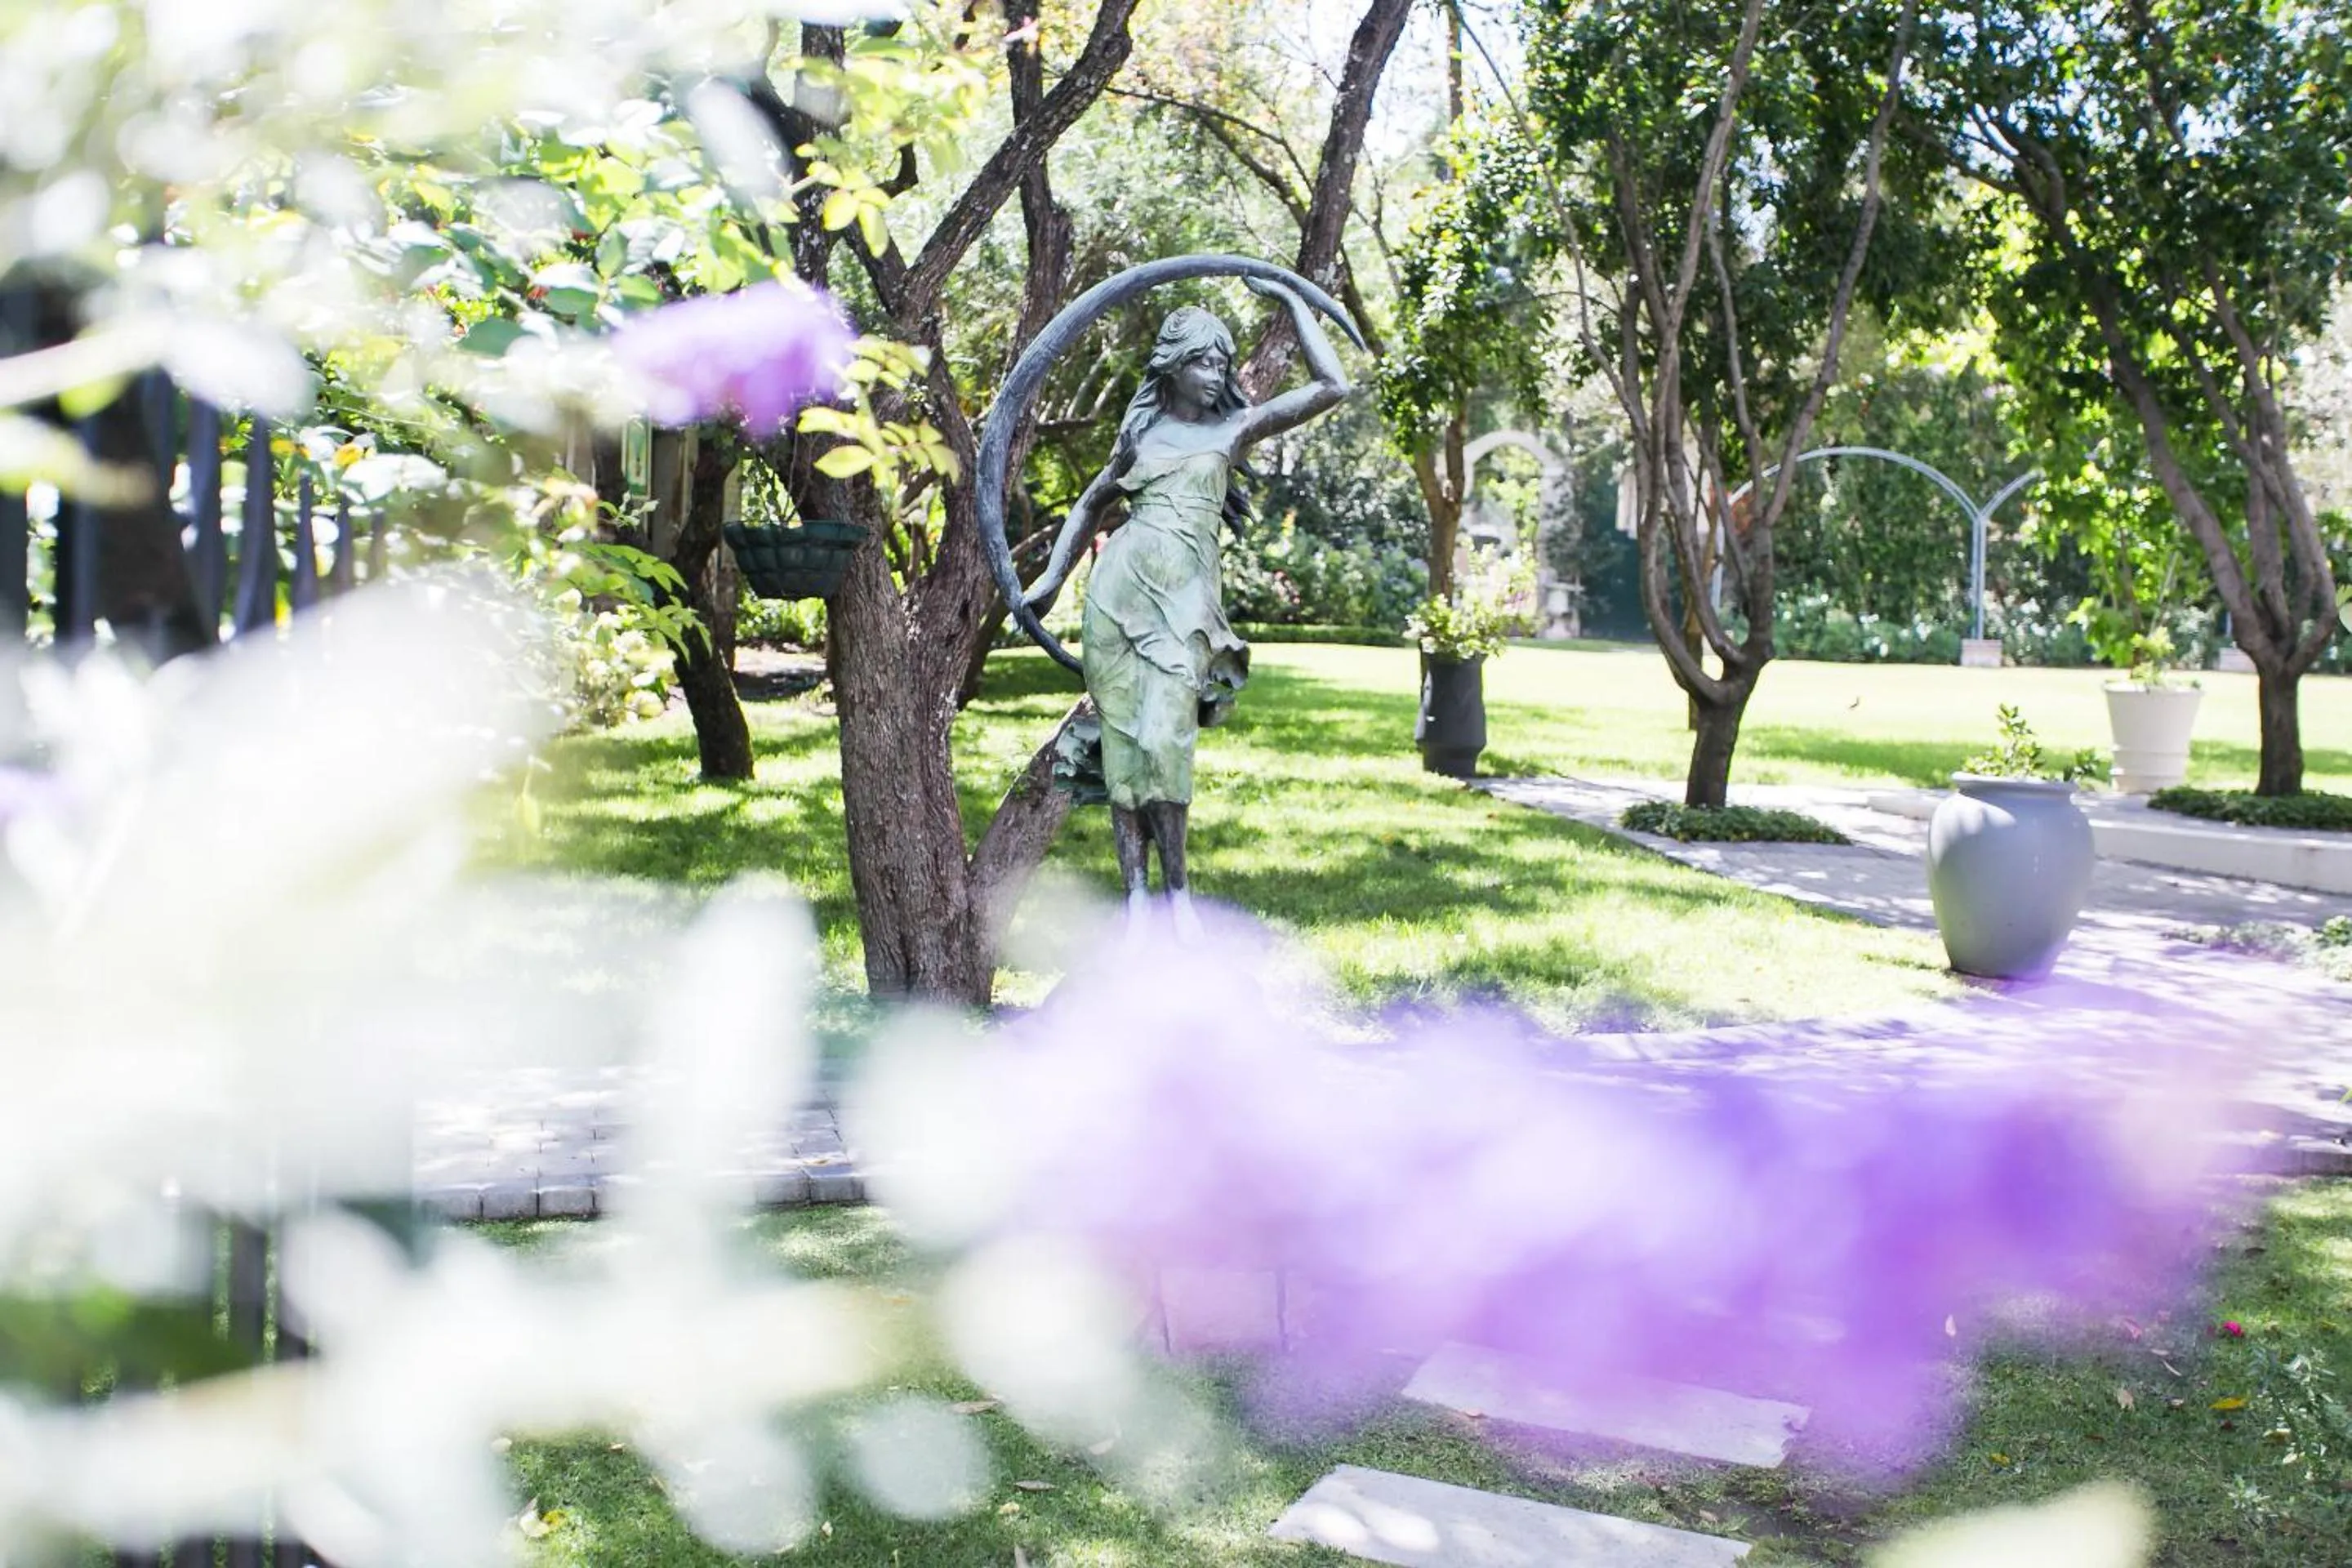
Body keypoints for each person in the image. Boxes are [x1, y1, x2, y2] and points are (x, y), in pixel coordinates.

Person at [1023, 280, 1350, 939]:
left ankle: (1178, 894)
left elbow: (1332, 387)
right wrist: (1052, 579)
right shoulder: (1141, 434)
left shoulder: (1233, 427)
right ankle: (1136, 899)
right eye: (1204, 362)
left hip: (1185, 606)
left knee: (1167, 742)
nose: (1216, 376)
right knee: (1124, 746)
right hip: (1118, 597)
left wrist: (1290, 299)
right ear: (1173, 367)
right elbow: (1090, 503)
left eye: (1223, 364)